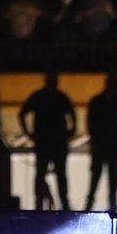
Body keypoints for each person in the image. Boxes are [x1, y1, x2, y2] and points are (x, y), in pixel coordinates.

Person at [19, 70, 76, 210]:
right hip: (48, 141)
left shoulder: (51, 97)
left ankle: (56, 203)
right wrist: (29, 134)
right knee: (47, 173)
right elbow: (72, 116)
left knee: (53, 174)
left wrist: (29, 134)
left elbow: (72, 116)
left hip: (51, 142)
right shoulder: (53, 97)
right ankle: (48, 203)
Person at [85, 73, 117, 211]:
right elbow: (92, 123)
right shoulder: (108, 101)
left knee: (104, 175)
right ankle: (95, 203)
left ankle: (96, 203)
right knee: (99, 175)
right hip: (104, 143)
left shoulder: (112, 101)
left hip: (107, 143)